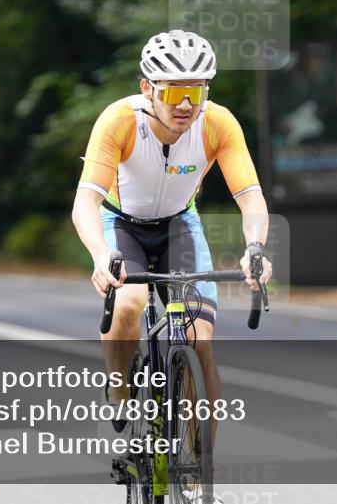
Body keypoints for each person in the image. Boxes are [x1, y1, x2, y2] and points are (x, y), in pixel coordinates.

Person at [71, 29, 274, 441]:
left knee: (200, 341)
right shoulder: (120, 121)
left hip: (180, 223)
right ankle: (119, 385)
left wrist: (255, 249)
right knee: (128, 302)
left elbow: (251, 198)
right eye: (173, 92)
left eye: (195, 93)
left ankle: (201, 473)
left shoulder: (217, 124)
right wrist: (97, 255)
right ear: (147, 88)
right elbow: (84, 204)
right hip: (121, 223)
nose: (184, 104)